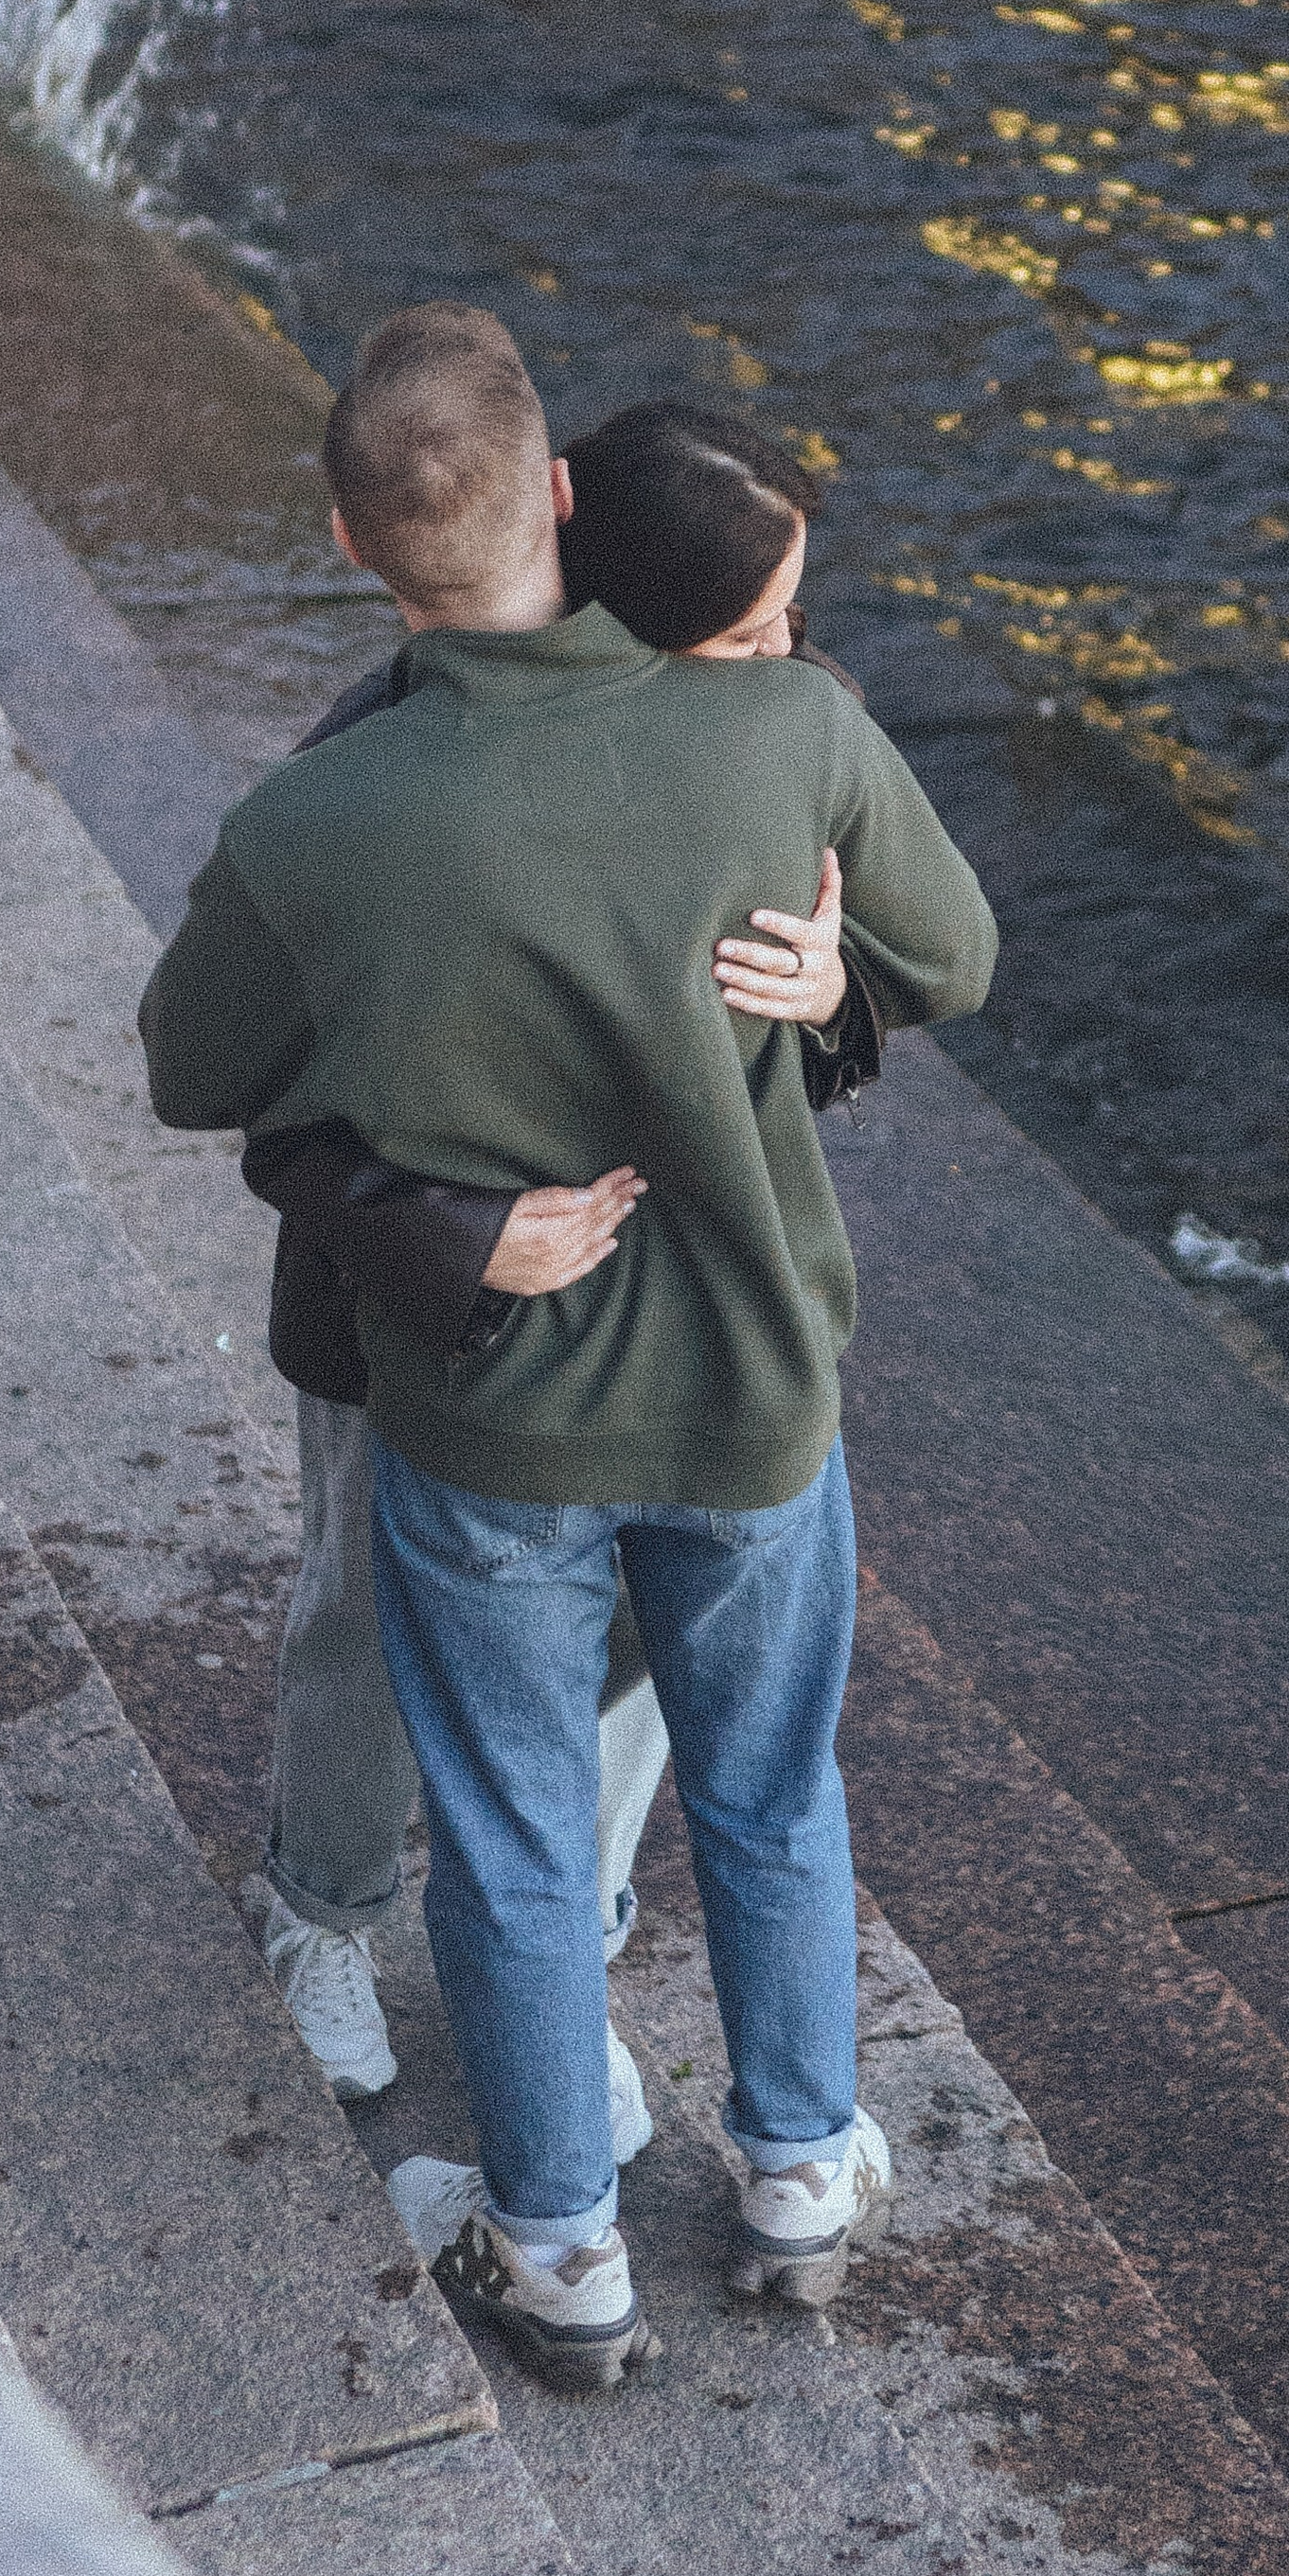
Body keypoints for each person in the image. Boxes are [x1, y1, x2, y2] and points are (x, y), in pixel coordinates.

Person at [140, 308, 996, 2391]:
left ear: (354, 540)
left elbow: (193, 1070)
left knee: (516, 1839)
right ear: (559, 498)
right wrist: (822, 984)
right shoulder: (785, 733)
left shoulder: (316, 819)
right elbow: (956, 952)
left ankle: (558, 2260)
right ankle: (799, 2174)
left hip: (492, 1417)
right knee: (771, 1795)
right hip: (749, 1398)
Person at [241, 404, 886, 2135]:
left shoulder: (761, 729)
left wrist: (833, 990)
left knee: (618, 1666)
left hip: (676, 1312)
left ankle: (556, 1963)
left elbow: (891, 948)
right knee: (364, 1629)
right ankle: (323, 1911)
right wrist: (454, 1234)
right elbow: (247, 1079)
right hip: (423, 1324)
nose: (785, 665)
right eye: (750, 634)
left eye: (789, 634)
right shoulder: (377, 757)